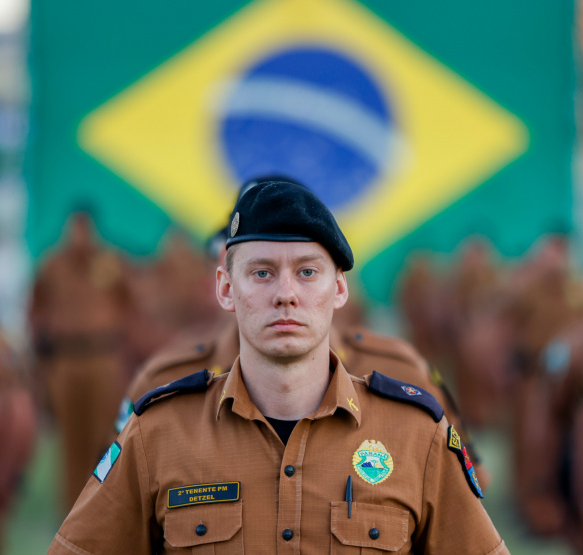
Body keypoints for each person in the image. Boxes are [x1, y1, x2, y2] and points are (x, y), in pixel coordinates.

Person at [49, 180, 507, 554]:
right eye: (262, 273)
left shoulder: (415, 436)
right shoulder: (159, 434)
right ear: (225, 289)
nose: (285, 294)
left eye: (307, 272)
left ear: (340, 291)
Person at [30, 205, 134, 511]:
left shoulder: (111, 263)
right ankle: (72, 517)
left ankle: (104, 511)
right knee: (71, 443)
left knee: (106, 437)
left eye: (84, 229)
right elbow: (35, 309)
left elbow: (130, 308)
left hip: (104, 359)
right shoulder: (52, 265)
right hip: (66, 360)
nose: (79, 236)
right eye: (74, 229)